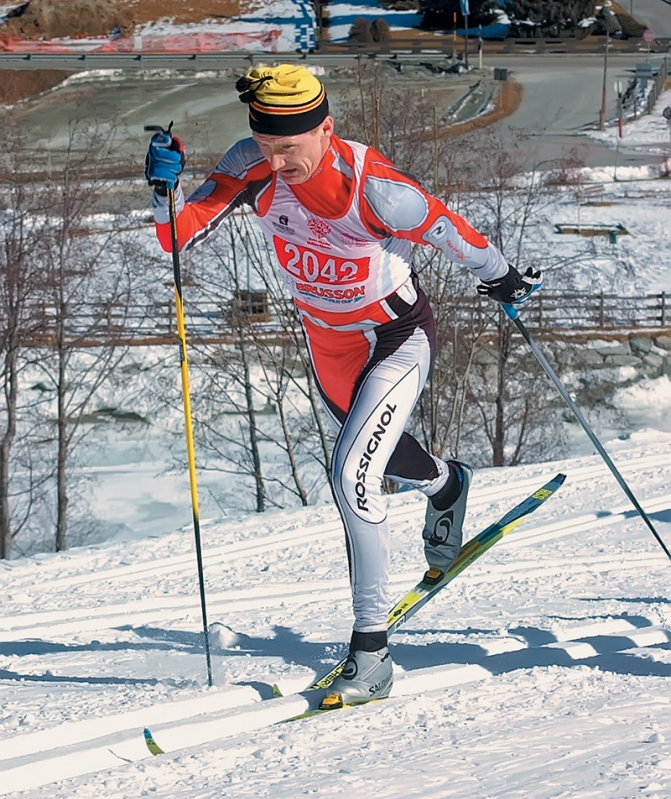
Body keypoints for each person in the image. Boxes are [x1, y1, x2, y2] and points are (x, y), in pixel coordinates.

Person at [145, 63, 541, 710]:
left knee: (351, 474)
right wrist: (160, 190)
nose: (278, 162)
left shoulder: (377, 191)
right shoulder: (252, 164)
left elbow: (452, 232)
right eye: (268, 147)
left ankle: (371, 656)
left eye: (291, 148)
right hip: (325, 342)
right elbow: (175, 237)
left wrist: (501, 278)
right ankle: (447, 483)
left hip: (393, 338)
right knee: (380, 457)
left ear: (325, 129)